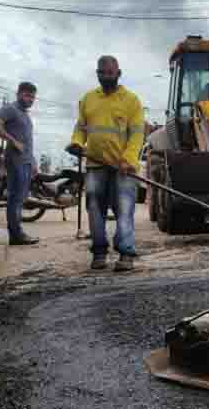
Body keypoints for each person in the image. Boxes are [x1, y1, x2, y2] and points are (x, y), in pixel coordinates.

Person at [66, 55, 145, 272]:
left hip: (123, 168)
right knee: (93, 206)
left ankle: (126, 253)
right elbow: (81, 128)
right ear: (97, 74)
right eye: (102, 73)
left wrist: (128, 159)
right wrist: (76, 142)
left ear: (118, 73)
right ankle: (99, 252)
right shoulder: (88, 99)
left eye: (110, 73)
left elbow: (137, 134)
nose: (106, 76)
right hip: (95, 165)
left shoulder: (131, 101)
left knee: (124, 208)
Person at [0, 82, 40, 246]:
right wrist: (12, 141)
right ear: (18, 94)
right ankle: (16, 235)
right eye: (27, 95)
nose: (30, 99)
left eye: (32, 97)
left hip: (25, 162)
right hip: (15, 161)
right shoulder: (11, 109)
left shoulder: (25, 114)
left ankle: (17, 233)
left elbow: (27, 141)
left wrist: (33, 162)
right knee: (15, 199)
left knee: (20, 198)